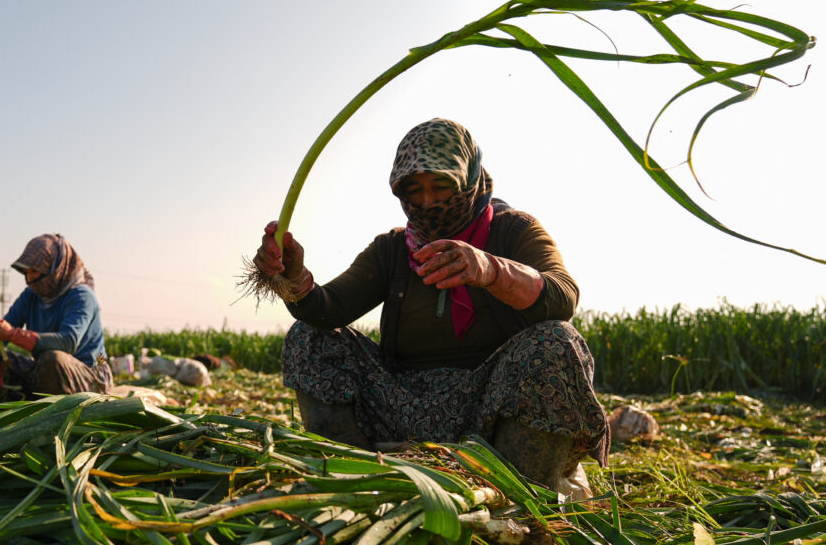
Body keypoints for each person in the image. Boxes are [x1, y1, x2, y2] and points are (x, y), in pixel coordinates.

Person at [252, 118, 609, 489]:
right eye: (413, 190)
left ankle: (520, 501)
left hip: (491, 409)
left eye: (441, 186)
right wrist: (292, 276)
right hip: (402, 405)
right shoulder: (391, 251)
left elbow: (562, 295)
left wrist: (490, 270)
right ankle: (357, 482)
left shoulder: (515, 231)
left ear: (470, 179)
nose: (427, 202)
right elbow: (327, 310)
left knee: (556, 342)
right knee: (310, 338)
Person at [0, 234, 114, 400]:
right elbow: (4, 327)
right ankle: (16, 404)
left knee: (53, 359)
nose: (29, 279)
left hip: (88, 376)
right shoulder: (31, 295)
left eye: (35, 271)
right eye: (26, 272)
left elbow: (67, 342)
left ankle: (51, 410)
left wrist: (12, 334)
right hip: (46, 370)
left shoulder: (81, 296)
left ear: (55, 269)